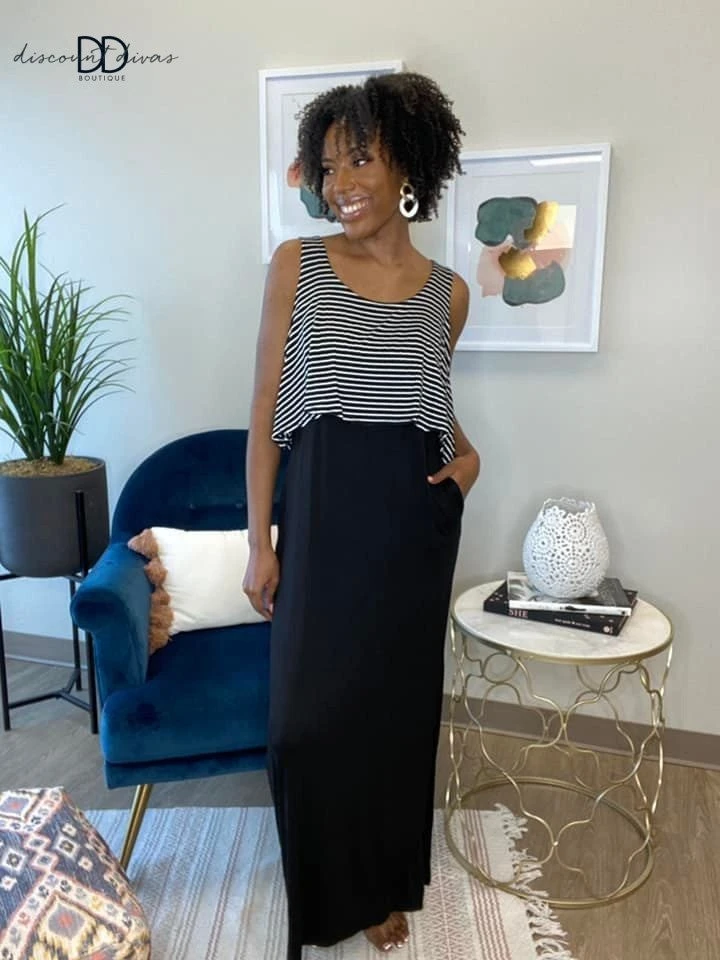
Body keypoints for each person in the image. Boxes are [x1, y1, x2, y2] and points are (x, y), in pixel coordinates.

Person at [243, 71, 481, 958]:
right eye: (330, 165)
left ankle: (380, 886)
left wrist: (468, 463)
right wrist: (260, 541)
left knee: (391, 716)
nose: (340, 183)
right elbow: (266, 413)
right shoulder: (297, 266)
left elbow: (429, 408)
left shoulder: (448, 293)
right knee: (303, 727)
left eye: (362, 160)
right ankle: (323, 894)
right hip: (319, 515)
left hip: (409, 530)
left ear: (407, 164)